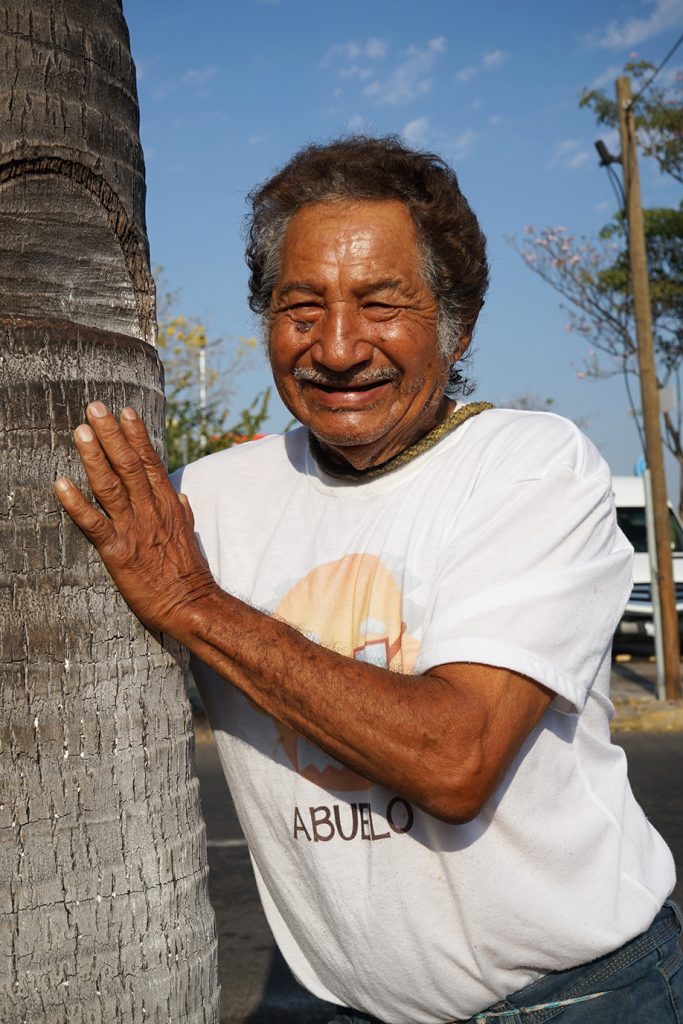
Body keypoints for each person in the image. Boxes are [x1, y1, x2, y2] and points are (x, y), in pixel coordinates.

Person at [55, 136, 682, 1024]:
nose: (338, 348)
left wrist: (195, 606)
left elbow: (453, 757)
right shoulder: (207, 501)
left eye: (381, 304)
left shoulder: (529, 467)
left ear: (457, 324)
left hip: (576, 998)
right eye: (300, 308)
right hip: (330, 998)